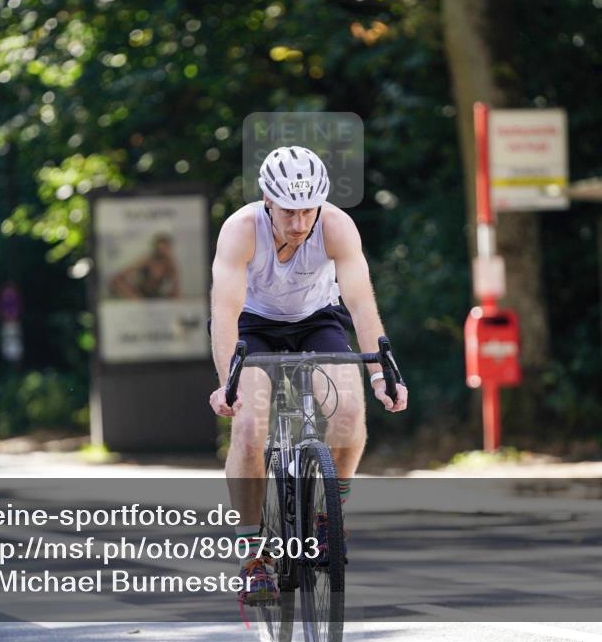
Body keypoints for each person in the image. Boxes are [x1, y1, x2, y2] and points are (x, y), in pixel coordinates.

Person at [208, 146, 408, 606]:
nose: (300, 224)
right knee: (251, 425)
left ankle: (326, 516)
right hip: (251, 326)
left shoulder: (336, 226)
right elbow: (225, 312)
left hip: (317, 319)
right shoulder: (241, 230)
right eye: (289, 211)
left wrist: (381, 374)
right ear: (267, 200)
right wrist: (228, 384)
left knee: (351, 411)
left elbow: (360, 304)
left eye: (308, 211)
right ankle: (253, 557)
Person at [108, 233, 181, 299]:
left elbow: (175, 288)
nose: (162, 252)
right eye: (159, 249)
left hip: (156, 296)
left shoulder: (170, 264)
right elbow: (119, 277)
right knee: (117, 282)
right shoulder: (147, 260)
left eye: (165, 249)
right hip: (140, 294)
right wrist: (134, 296)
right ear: (155, 248)